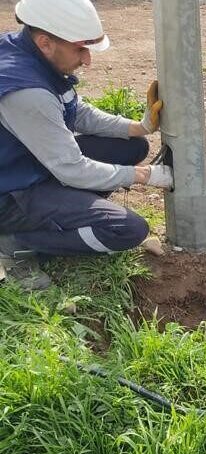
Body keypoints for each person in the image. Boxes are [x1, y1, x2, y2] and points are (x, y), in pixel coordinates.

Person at [0, 0, 174, 290]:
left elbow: (75, 110)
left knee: (132, 147)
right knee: (127, 230)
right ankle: (15, 242)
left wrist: (137, 127)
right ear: (45, 42)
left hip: (26, 163)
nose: (88, 59)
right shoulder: (27, 92)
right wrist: (143, 176)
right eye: (80, 49)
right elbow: (71, 168)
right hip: (11, 192)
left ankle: (61, 211)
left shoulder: (25, 51)